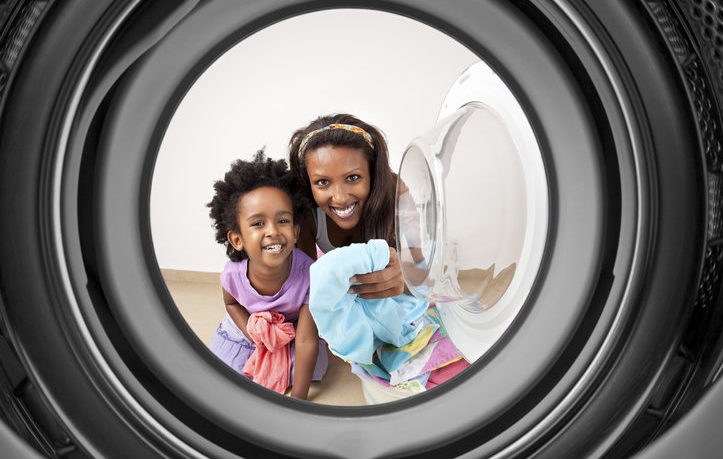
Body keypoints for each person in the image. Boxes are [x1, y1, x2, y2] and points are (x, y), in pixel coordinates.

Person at [207, 150, 327, 400]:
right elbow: (231, 303)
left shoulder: (310, 277)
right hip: (251, 321)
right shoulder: (232, 274)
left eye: (282, 220)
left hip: (293, 327)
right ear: (237, 239)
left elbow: (305, 341)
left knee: (307, 366)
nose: (272, 231)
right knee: (224, 365)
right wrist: (253, 334)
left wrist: (300, 400)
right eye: (258, 223)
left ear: (295, 232)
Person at [288, 114, 406, 299]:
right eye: (322, 182)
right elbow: (309, 288)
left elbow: (425, 269)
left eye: (353, 178)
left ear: (372, 173)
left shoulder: (396, 193)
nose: (341, 198)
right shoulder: (306, 214)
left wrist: (405, 277)